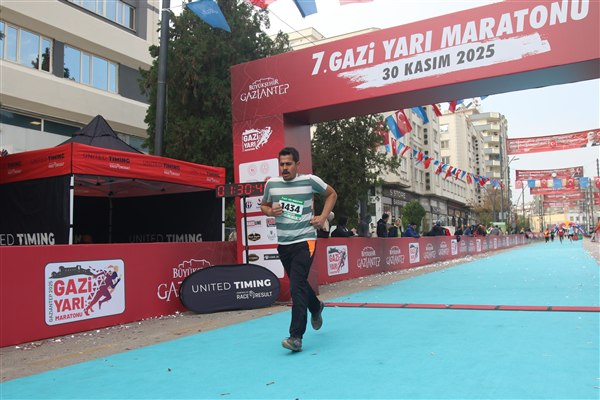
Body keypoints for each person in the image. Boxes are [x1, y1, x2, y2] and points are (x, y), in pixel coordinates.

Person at [260, 147, 337, 353]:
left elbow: (332, 194)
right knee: (300, 283)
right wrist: (270, 211)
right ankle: (316, 307)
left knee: (296, 287)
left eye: (288, 164)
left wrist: (322, 217)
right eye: (282, 164)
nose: (284, 168)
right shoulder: (271, 184)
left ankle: (296, 337)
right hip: (284, 243)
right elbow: (264, 205)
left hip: (305, 240)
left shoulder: (309, 181)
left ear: (297, 164)